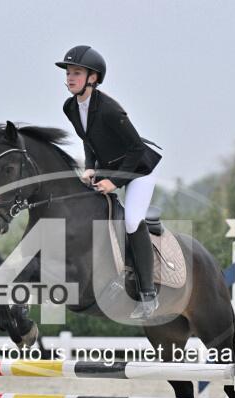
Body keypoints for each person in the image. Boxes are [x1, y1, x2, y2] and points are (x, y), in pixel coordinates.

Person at [56, 45, 162, 319]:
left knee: (132, 221)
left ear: (93, 77)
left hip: (139, 169)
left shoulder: (110, 110)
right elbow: (87, 139)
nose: (70, 78)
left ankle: (148, 294)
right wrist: (90, 167)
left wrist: (113, 182)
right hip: (110, 167)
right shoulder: (70, 107)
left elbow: (136, 149)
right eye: (68, 73)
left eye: (76, 73)